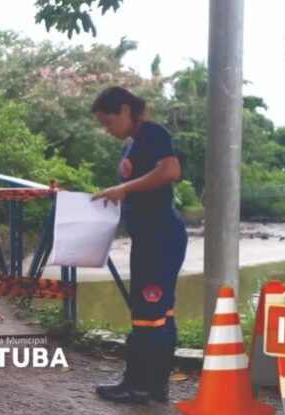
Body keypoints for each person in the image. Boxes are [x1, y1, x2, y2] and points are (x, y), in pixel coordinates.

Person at [91, 86, 188, 404]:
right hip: (150, 238)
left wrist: (124, 189)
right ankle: (155, 386)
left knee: (148, 314)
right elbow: (137, 190)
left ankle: (138, 387)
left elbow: (170, 171)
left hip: (159, 238)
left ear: (125, 110)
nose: (106, 130)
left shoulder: (153, 133)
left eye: (108, 122)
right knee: (161, 313)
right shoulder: (132, 145)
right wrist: (117, 196)